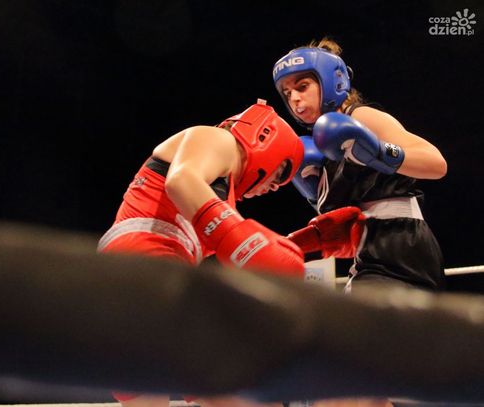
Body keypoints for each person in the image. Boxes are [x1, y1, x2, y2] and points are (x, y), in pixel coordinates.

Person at [97, 99, 366, 407]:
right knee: (245, 387)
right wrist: (241, 239)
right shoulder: (217, 139)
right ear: (265, 139)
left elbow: (234, 247)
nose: (275, 187)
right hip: (146, 263)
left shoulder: (214, 200)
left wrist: (307, 242)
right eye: (281, 173)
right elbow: (181, 181)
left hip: (128, 277)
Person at [272, 37, 447, 293]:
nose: (295, 99)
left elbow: (436, 163)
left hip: (402, 244)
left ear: (331, 81)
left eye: (303, 86)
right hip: (370, 250)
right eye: (288, 93)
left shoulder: (360, 117)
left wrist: (378, 151)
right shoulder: (321, 147)